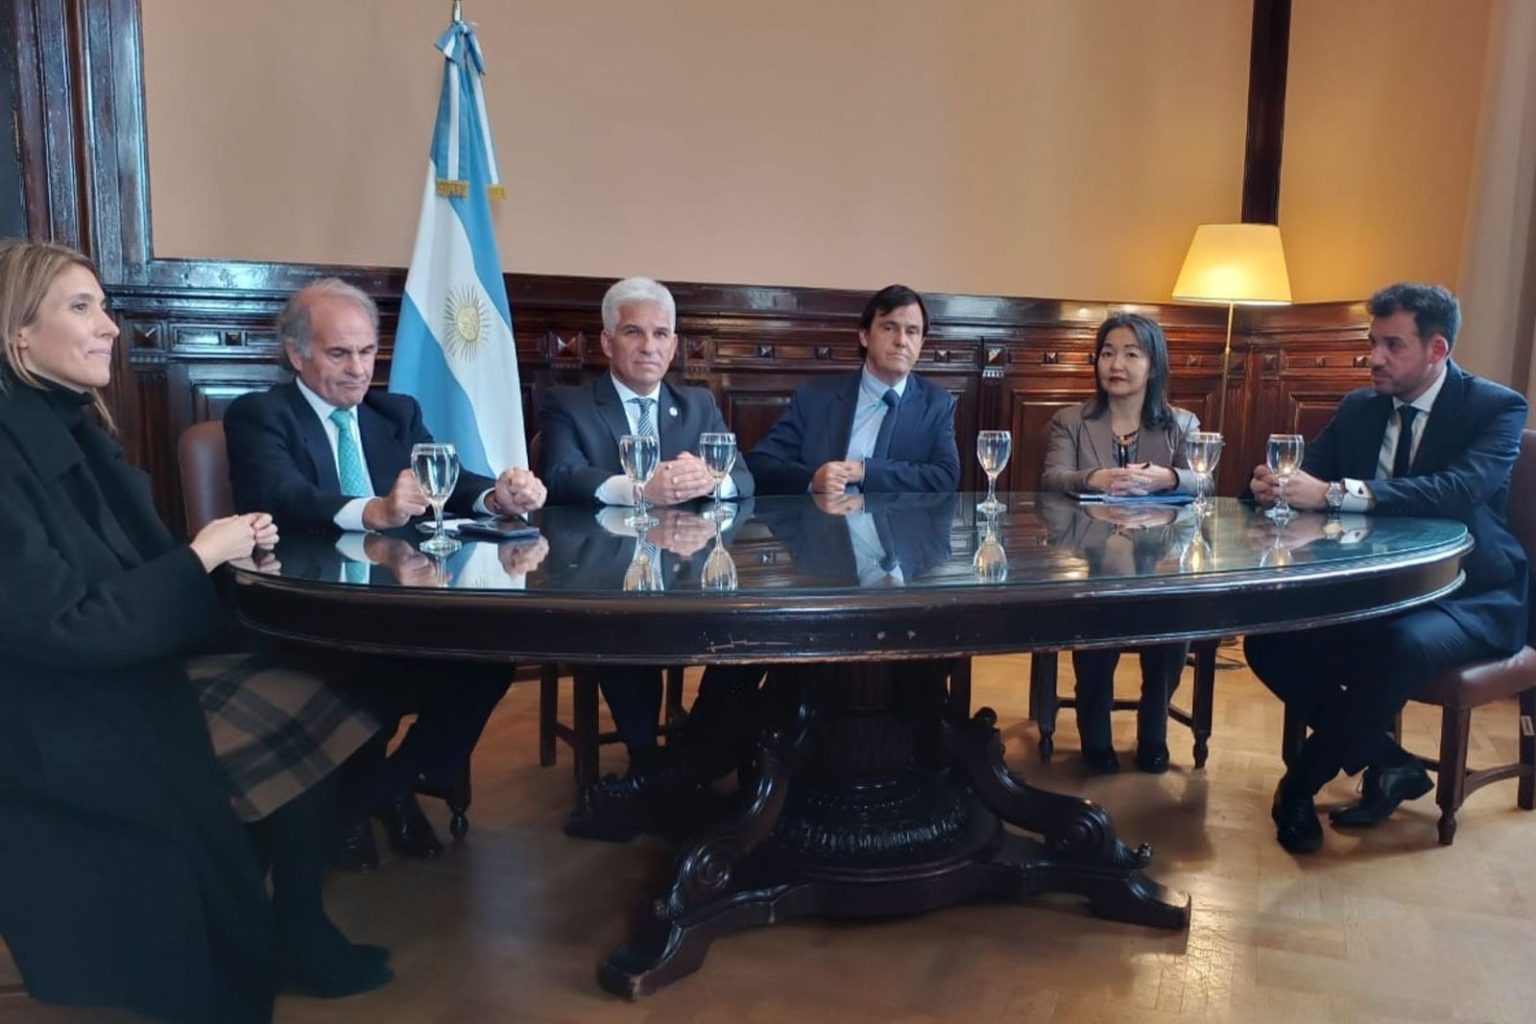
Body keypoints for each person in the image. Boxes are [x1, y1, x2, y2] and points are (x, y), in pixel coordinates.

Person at [0, 240, 388, 1023]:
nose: (110, 327)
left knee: (338, 682)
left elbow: (124, 581)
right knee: (320, 698)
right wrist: (202, 555)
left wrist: (217, 558)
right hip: (58, 717)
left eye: (104, 306)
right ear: (18, 335)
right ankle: (285, 930)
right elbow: (70, 626)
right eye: (81, 307)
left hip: (119, 676)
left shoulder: (70, 427)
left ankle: (296, 920)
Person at [224, 278, 546, 866]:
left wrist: (496, 497)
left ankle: (381, 790)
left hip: (399, 605)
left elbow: (448, 477)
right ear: (297, 353)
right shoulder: (260, 414)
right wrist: (371, 510)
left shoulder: (394, 413)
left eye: (367, 351)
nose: (357, 369)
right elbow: (280, 495)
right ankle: (368, 800)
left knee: (488, 658)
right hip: (310, 616)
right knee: (366, 677)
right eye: (339, 353)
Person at [1244, 282, 1529, 854]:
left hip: (1471, 592)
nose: (1374, 358)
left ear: (1437, 349)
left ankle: (1298, 786)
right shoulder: (1360, 408)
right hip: (1374, 590)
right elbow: (1308, 474)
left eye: (1392, 345)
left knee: (1395, 646)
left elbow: (1457, 491)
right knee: (1268, 641)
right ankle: (1391, 762)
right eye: (1372, 342)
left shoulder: (1494, 408)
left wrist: (1337, 493)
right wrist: (1272, 485)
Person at [538, 276, 756, 840]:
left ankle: (688, 758)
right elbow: (560, 477)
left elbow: (743, 479)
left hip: (690, 573)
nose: (649, 347)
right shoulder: (570, 404)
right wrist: (640, 490)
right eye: (634, 332)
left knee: (750, 636)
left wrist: (712, 480)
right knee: (625, 625)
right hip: (602, 570)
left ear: (675, 345)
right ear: (608, 341)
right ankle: (650, 762)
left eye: (661, 335)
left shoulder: (697, 404)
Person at [1039, 313, 1201, 774]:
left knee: (1175, 616)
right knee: (1095, 613)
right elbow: (1052, 479)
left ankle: (1154, 730)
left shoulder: (1181, 424)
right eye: (1108, 353)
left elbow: (1204, 482)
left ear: (1154, 365)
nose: (1117, 364)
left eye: (1132, 354)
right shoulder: (1071, 420)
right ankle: (1095, 736)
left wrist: (1168, 478)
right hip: (1089, 557)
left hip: (1160, 560)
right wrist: (1094, 478)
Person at [745, 283, 960, 495]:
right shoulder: (815, 397)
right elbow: (760, 465)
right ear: (864, 336)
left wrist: (866, 472)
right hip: (823, 516)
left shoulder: (937, 404)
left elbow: (945, 477)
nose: (901, 341)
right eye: (889, 328)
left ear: (921, 344)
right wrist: (812, 480)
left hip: (901, 519)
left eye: (912, 332)